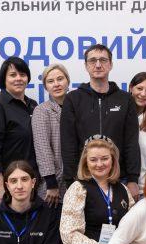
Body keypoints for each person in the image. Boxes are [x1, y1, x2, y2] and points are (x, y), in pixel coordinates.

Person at [60, 44, 141, 198]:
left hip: (120, 178)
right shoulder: (73, 99)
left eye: (103, 60)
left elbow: (131, 141)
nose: (98, 65)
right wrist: (71, 181)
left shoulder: (125, 99)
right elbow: (68, 143)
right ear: (86, 66)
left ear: (111, 64)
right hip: (83, 178)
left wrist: (133, 179)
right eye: (92, 61)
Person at [0, 56, 38, 205]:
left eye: (22, 74)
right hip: (9, 186)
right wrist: (0, 185)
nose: (18, 78)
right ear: (4, 79)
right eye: (13, 75)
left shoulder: (33, 105)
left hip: (32, 183)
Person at [32, 64, 70, 208]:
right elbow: (43, 148)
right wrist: (51, 182)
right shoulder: (42, 111)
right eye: (50, 81)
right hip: (54, 185)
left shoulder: (77, 107)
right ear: (46, 87)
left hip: (78, 181)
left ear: (68, 81)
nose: (56, 84)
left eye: (60, 79)